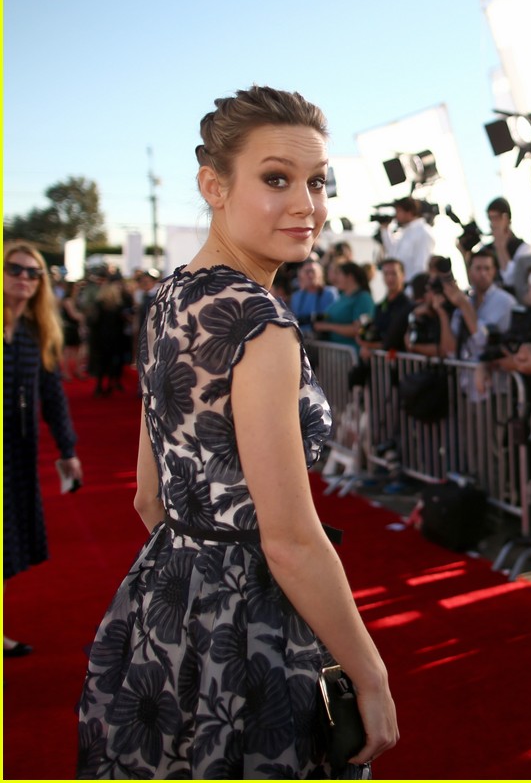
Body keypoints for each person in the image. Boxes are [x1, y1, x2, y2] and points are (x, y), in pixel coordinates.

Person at [76, 85, 398, 777]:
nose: (305, 204)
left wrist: (195, 575)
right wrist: (368, 672)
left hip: (164, 596)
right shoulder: (260, 325)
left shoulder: (167, 298)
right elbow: (287, 536)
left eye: (317, 182)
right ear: (213, 185)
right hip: (250, 622)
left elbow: (146, 494)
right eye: (276, 178)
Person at [4, 241, 84, 658]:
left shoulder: (37, 333)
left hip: (17, 453)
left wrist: (67, 448)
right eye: (15, 269)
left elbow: (52, 395)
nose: (25, 278)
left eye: (34, 274)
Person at [437, 248, 516, 400]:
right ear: (470, 271)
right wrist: (442, 313)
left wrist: (464, 306)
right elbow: (450, 349)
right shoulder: (466, 300)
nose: (483, 274)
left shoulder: (506, 302)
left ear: (494, 271)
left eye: (487, 268)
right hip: (466, 388)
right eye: (478, 268)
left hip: (495, 391)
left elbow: (483, 341)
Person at [313, 261, 376, 349]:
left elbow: (360, 330)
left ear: (350, 277)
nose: (336, 278)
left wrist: (327, 327)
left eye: (339, 274)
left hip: (351, 355)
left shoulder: (363, 298)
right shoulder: (342, 296)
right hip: (333, 352)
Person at [483, 197, 531, 299]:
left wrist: (501, 246)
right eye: (490, 219)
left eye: (495, 218)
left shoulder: (523, 248)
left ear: (505, 219)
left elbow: (511, 279)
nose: (492, 224)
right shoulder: (486, 249)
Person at [379, 196, 435, 281]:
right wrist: (385, 231)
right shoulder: (405, 232)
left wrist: (412, 290)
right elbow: (393, 255)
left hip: (412, 288)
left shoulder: (423, 233)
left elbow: (421, 266)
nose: (396, 216)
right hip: (402, 287)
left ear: (409, 212)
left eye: (398, 211)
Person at [289, 258, 338, 333]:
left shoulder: (330, 293)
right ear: (301, 275)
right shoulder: (296, 296)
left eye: (313, 271)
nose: (310, 275)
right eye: (307, 272)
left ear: (320, 274)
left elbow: (333, 317)